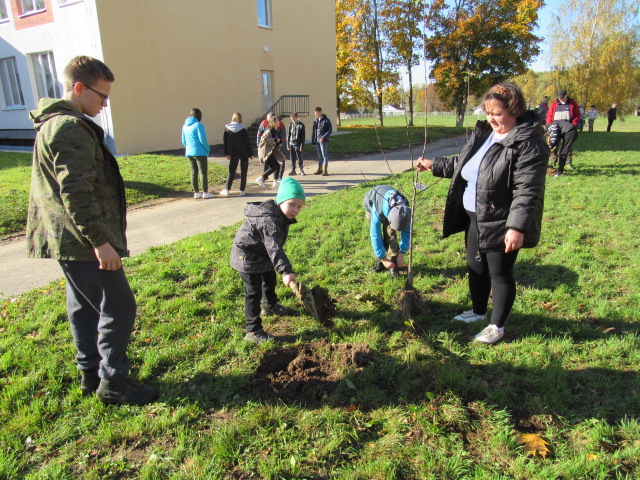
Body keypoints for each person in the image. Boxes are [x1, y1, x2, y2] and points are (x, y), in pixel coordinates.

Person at [26, 55, 159, 405]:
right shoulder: (69, 127)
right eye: (102, 96)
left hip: (67, 237)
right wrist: (99, 242)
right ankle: (113, 383)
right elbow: (76, 191)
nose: (105, 103)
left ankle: (89, 373)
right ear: (79, 87)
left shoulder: (56, 123)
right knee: (119, 306)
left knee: (83, 306)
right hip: (82, 239)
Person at [417, 82, 548, 345]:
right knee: (475, 266)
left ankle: (496, 326)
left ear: (514, 109)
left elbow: (527, 190)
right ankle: (477, 312)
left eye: (497, 113)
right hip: (475, 214)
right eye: (487, 112)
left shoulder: (528, 143)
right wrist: (435, 165)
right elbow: (464, 164)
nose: (491, 118)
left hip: (503, 218)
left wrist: (517, 227)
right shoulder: (487, 132)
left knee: (499, 273)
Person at [230, 177, 306, 344]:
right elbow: (275, 248)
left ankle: (270, 306)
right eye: (291, 204)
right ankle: (253, 330)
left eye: (299, 206)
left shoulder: (280, 214)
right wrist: (286, 271)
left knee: (269, 280)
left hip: (262, 253)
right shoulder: (269, 219)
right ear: (280, 201)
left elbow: (272, 247)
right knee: (253, 292)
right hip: (247, 256)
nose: (295, 209)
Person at [363, 185, 411, 278]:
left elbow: (407, 231)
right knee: (379, 237)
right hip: (372, 203)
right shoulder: (377, 211)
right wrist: (383, 258)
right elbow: (375, 235)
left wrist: (402, 252)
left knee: (390, 235)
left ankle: (393, 265)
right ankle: (380, 262)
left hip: (390, 208)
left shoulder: (405, 211)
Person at [546, 89, 580, 177]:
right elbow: (549, 115)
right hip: (556, 127)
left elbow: (577, 114)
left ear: (566, 95)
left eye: (562, 97)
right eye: (559, 98)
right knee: (553, 146)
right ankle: (552, 163)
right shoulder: (555, 104)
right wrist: (550, 125)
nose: (561, 99)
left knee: (565, 149)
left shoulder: (572, 103)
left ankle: (566, 165)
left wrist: (573, 124)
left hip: (568, 128)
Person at [182, 108, 213, 198]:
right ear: (199, 116)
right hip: (200, 152)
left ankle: (196, 193)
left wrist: (189, 147)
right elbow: (202, 140)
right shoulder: (199, 125)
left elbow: (183, 141)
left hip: (189, 152)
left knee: (193, 172)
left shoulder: (184, 126)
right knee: (203, 172)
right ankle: (205, 193)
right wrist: (208, 149)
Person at [222, 112, 253, 196]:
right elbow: (247, 142)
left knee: (231, 171)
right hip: (244, 152)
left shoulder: (227, 128)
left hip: (233, 153)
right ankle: (242, 190)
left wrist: (227, 153)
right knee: (244, 171)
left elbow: (225, 142)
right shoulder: (243, 129)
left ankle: (227, 189)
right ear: (240, 118)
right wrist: (250, 153)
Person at [256, 115, 287, 188]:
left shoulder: (275, 131)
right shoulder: (269, 131)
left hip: (270, 152)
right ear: (274, 123)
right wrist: (275, 140)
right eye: (277, 121)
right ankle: (260, 179)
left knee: (277, 165)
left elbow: (274, 141)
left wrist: (278, 143)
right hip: (266, 153)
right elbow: (264, 139)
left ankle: (275, 181)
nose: (279, 122)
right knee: (273, 167)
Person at [311, 106, 332, 176]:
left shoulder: (326, 120)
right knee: (319, 155)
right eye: (315, 114)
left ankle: (325, 170)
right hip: (317, 140)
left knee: (324, 154)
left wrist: (323, 137)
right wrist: (313, 141)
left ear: (320, 112)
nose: (316, 115)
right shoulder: (315, 120)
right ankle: (320, 169)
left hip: (323, 140)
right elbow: (314, 131)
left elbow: (329, 130)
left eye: (317, 113)